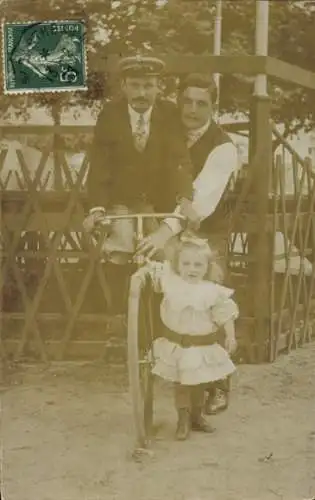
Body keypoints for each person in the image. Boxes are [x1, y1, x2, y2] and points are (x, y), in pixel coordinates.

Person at [84, 54, 194, 314]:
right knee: (118, 252)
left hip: (159, 202)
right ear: (123, 86)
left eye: (148, 85)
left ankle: (162, 324)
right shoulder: (110, 115)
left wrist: (185, 199)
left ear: (159, 87)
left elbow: (181, 161)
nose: (141, 93)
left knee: (166, 256)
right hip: (122, 202)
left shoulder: (169, 114)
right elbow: (100, 164)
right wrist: (97, 208)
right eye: (134, 85)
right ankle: (118, 325)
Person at [176, 72, 240, 415]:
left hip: (207, 231)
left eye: (202, 103)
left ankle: (218, 386)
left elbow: (203, 201)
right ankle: (180, 379)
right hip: (170, 227)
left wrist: (174, 221)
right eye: (187, 101)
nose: (193, 109)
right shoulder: (168, 134)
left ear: (213, 108)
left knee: (211, 304)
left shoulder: (222, 146)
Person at [142, 235, 238, 441]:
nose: (192, 269)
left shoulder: (211, 290)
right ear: (178, 264)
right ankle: (182, 420)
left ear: (207, 267)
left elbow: (225, 314)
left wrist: (230, 335)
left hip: (202, 345)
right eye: (186, 264)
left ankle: (197, 416)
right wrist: (145, 264)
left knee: (200, 383)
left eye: (198, 265)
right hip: (178, 344)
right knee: (183, 384)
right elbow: (154, 273)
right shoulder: (172, 282)